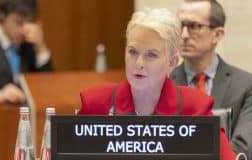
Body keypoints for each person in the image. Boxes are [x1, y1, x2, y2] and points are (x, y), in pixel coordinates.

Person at [78, 8, 236, 159]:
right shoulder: (95, 104)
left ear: (172, 62)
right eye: (132, 52)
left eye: (151, 55)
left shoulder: (195, 109)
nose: (139, 63)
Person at [170, 0, 252, 159]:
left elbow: (242, 149)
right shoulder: (164, 83)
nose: (184, 35)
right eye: (180, 26)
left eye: (194, 26)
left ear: (217, 34)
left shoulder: (247, 85)